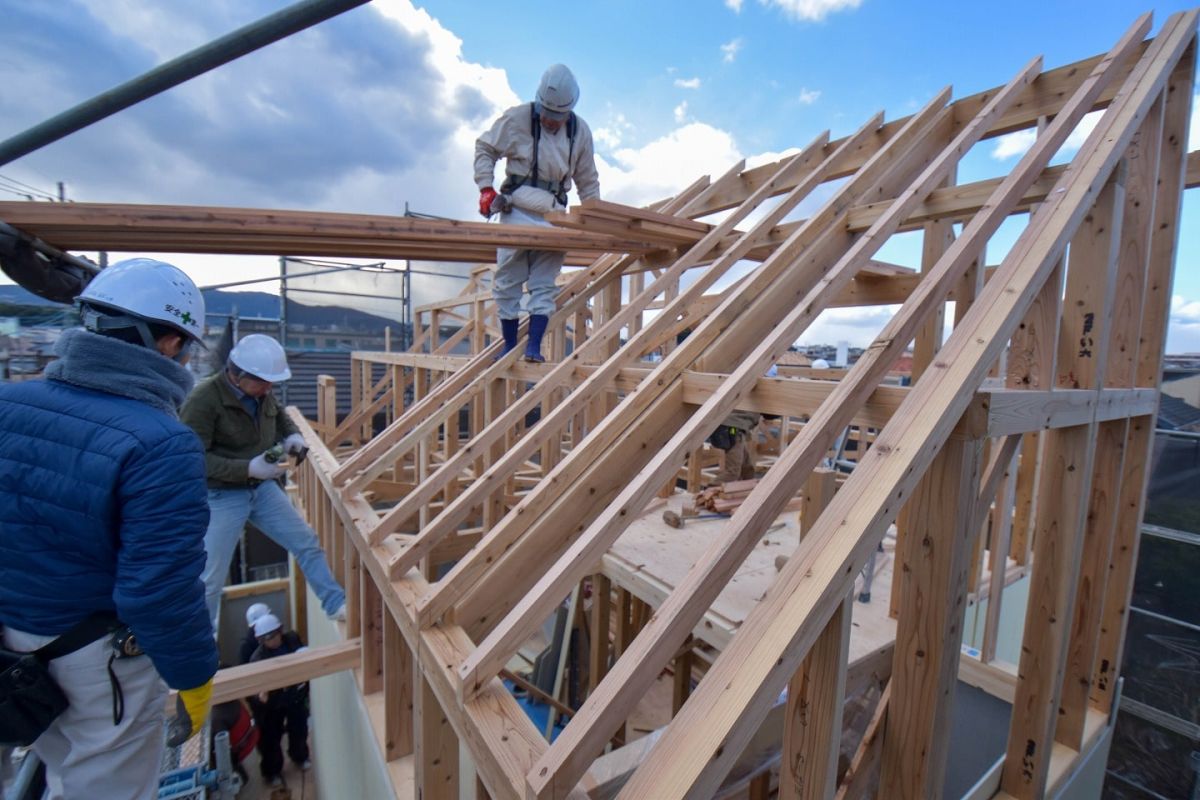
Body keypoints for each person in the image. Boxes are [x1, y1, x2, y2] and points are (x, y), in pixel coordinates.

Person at [0, 258, 217, 798]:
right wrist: (193, 674)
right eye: (184, 345)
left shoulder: (7, 403)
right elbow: (159, 590)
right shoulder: (162, 442)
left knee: (42, 759)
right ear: (167, 345)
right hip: (93, 662)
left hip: (9, 638)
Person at [180, 334, 346, 633]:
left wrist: (293, 436)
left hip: (261, 489)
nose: (268, 389)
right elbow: (193, 460)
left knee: (306, 543)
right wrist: (246, 468)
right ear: (236, 374)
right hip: (221, 494)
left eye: (271, 384)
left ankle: (335, 604)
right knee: (211, 577)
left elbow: (280, 416)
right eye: (262, 383)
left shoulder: (261, 391)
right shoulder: (203, 400)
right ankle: (202, 644)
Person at [475, 63, 601, 362]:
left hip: (554, 213)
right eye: (546, 114)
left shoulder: (579, 131)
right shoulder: (518, 118)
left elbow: (588, 179)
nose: (551, 121)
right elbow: (486, 147)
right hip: (516, 207)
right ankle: (508, 345)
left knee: (544, 283)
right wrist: (485, 187)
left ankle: (533, 348)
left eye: (557, 117)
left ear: (568, 111)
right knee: (508, 279)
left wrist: (595, 219)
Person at [247, 613, 310, 787]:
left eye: (274, 635)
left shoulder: (291, 640)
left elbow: (303, 656)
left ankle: (300, 756)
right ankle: (272, 772)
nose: (272, 640)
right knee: (270, 740)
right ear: (260, 640)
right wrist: (261, 699)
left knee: (299, 729)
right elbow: (254, 692)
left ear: (280, 631)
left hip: (294, 697)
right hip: (272, 706)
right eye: (267, 638)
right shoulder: (258, 659)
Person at [711, 409, 762, 484]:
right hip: (732, 429)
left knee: (747, 468)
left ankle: (748, 491)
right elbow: (771, 415)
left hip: (732, 428)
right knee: (733, 472)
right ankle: (709, 491)